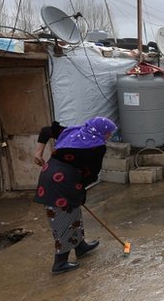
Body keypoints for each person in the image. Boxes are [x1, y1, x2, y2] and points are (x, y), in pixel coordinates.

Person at [33, 117, 117, 274]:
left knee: (73, 214)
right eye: (108, 133)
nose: (109, 136)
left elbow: (46, 131)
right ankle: (60, 263)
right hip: (61, 183)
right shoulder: (98, 146)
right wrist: (78, 188)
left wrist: (38, 153)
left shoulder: (74, 132)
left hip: (51, 174)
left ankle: (80, 247)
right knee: (62, 220)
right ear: (101, 131)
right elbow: (92, 174)